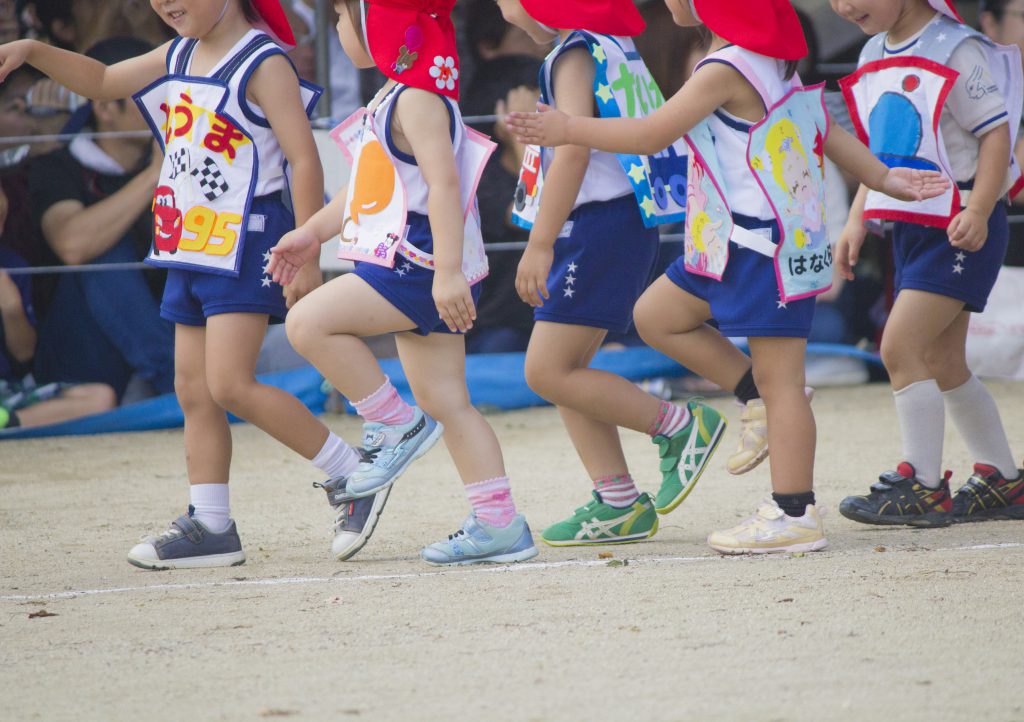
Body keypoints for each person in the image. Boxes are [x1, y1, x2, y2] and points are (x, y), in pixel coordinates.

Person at [508, 0, 949, 553]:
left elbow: (650, 136)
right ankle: (753, 399)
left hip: (761, 246)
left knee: (783, 384)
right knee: (656, 316)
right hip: (723, 242)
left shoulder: (726, 67)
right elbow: (821, 130)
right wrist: (883, 176)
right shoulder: (762, 59)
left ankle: (794, 514)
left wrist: (568, 126)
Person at [0, 0, 380, 569]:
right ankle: (212, 524)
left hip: (252, 236)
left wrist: (306, 253)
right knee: (192, 388)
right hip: (192, 241)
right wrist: (30, 51)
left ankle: (355, 473)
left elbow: (305, 161)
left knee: (229, 384)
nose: (166, 3)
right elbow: (102, 82)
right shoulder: (176, 52)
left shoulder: (263, 60)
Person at [268, 0, 539, 566]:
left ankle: (393, 424)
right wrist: (311, 234)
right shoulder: (398, 94)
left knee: (306, 322)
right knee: (449, 403)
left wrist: (444, 274)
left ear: (379, 28)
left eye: (343, 18)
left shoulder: (416, 99)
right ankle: (498, 524)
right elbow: (366, 189)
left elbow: (443, 186)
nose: (339, 29)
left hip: (417, 265)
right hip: (423, 266)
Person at [493, 0, 728, 547]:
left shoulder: (573, 49)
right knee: (568, 369)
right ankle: (617, 500)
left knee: (547, 371)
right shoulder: (597, 42)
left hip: (596, 227)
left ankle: (678, 427)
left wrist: (540, 243)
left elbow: (572, 150)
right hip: (614, 224)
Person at [833, 0, 1024, 525]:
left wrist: (982, 208)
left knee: (899, 346)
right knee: (942, 362)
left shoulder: (955, 48)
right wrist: (857, 220)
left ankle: (921, 483)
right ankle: (1004, 480)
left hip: (960, 225)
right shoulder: (874, 51)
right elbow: (878, 153)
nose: (844, 5)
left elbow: (995, 132)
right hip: (912, 226)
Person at [26, 37, 174, 400]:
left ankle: (178, 376)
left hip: (156, 339)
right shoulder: (58, 166)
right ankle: (173, 381)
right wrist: (153, 176)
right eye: (153, 97)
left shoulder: (178, 163)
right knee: (103, 253)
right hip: (78, 359)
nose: (168, 108)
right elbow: (73, 244)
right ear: (106, 109)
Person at [462, 0, 544, 354]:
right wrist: (523, 146)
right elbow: (528, 216)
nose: (543, 43)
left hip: (552, 312)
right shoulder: (470, 148)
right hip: (498, 327)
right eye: (527, 35)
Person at [0, 243, 115, 430]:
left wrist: (12, 308)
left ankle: (7, 422)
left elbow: (24, 354)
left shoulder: (13, 265)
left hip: (6, 393)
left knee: (101, 397)